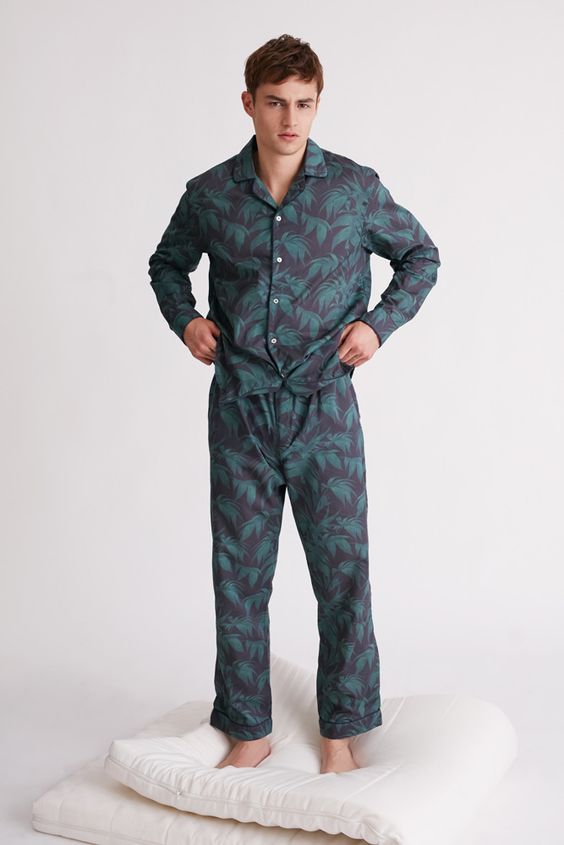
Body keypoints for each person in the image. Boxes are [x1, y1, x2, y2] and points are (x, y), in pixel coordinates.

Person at [148, 34, 440, 774]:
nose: (290, 119)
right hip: (240, 410)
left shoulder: (352, 189)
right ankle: (249, 726)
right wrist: (187, 320)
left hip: (324, 411)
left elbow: (420, 255)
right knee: (239, 575)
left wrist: (378, 325)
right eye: (276, 103)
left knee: (342, 573)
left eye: (304, 104)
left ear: (317, 104)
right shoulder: (210, 194)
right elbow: (167, 263)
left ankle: (341, 731)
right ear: (249, 103)